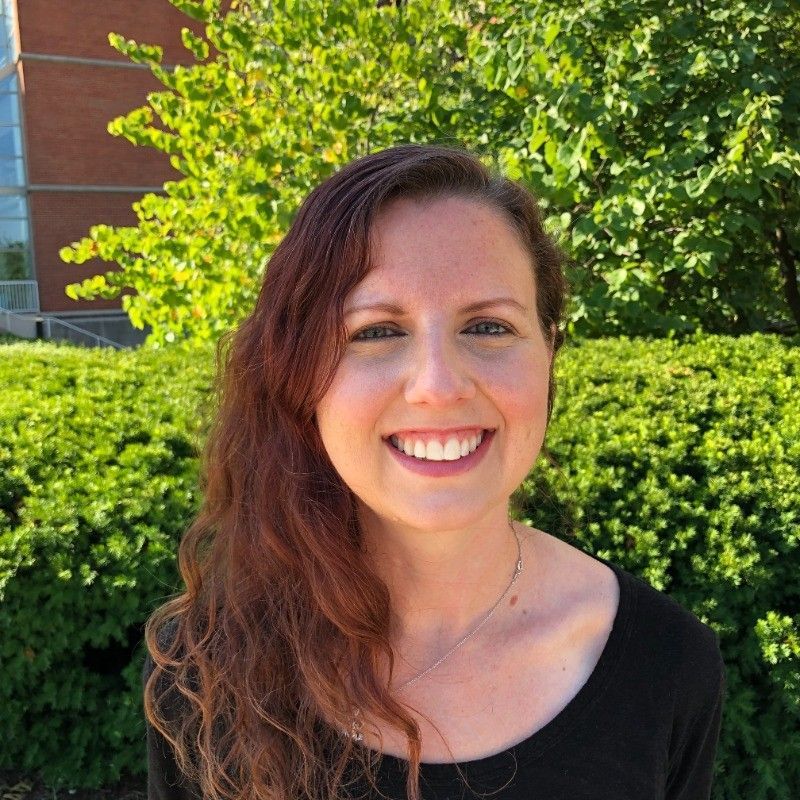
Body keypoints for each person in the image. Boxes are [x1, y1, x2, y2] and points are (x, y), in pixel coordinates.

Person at [143, 143, 726, 800]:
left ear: (550, 351)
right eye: (376, 331)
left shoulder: (668, 667)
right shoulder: (205, 668)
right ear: (299, 375)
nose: (438, 386)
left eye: (488, 326)